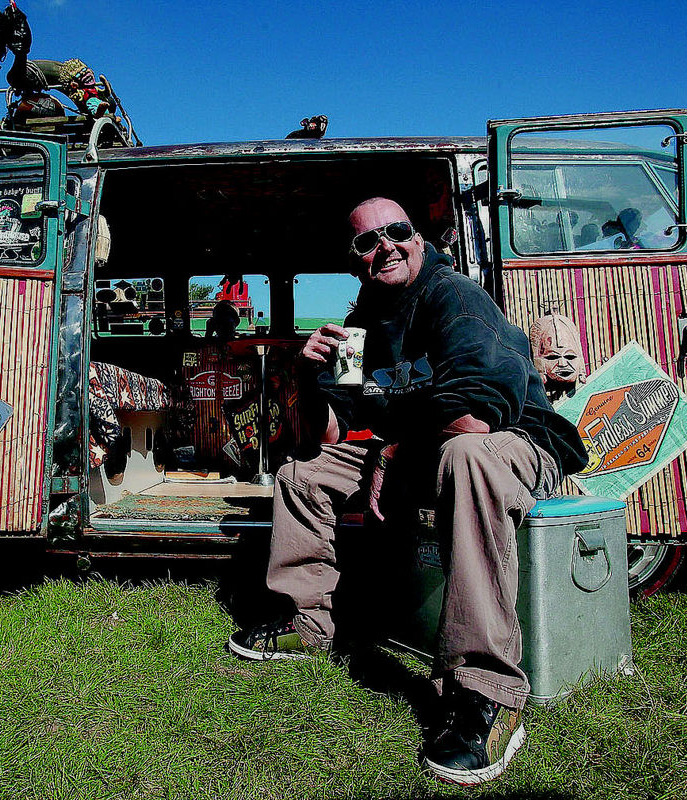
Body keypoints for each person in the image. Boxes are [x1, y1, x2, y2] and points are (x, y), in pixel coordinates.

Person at [227, 198, 586, 786]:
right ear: (355, 261)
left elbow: (475, 416)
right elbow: (330, 432)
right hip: (420, 449)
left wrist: (391, 454)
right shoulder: (362, 322)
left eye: (397, 231)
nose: (385, 246)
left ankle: (485, 691)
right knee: (304, 471)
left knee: (465, 457)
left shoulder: (455, 298)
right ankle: (309, 620)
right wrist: (308, 376)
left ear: (418, 239)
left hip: (514, 442)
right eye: (367, 242)